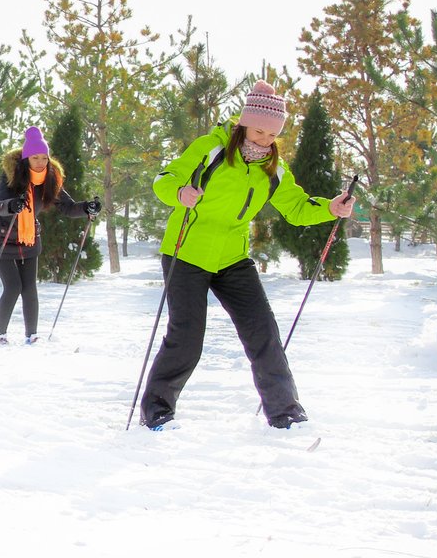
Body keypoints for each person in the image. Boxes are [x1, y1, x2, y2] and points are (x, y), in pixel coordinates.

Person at [140, 80, 356, 430]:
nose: (265, 140)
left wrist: (331, 207)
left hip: (232, 257)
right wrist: (179, 193)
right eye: (258, 132)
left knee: (263, 331)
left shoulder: (273, 167)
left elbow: (297, 207)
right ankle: (157, 410)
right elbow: (165, 178)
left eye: (272, 135)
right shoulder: (210, 148)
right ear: (243, 123)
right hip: (187, 251)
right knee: (187, 336)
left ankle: (286, 412)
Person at [0, 126, 99, 345]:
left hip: (28, 238)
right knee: (13, 286)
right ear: (27, 158)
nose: (40, 162)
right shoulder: (12, 177)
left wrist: (88, 207)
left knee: (29, 287)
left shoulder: (49, 179)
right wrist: (12, 205)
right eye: (35, 157)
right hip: (2, 237)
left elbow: (68, 207)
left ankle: (32, 335)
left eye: (44, 157)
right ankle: (0, 334)